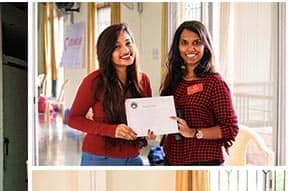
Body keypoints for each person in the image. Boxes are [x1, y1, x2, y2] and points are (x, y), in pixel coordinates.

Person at [67, 23, 152, 166]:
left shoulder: (143, 80)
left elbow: (146, 117)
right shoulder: (93, 81)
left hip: (133, 157)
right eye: (117, 46)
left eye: (128, 43)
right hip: (99, 157)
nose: (125, 50)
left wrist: (151, 129)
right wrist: (112, 130)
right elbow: (74, 119)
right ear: (107, 52)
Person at [161, 20, 238, 166]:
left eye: (196, 42)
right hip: (174, 159)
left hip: (205, 161)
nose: (190, 48)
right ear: (178, 47)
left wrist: (194, 132)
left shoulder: (214, 82)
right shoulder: (174, 80)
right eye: (184, 43)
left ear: (205, 47)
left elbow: (231, 128)